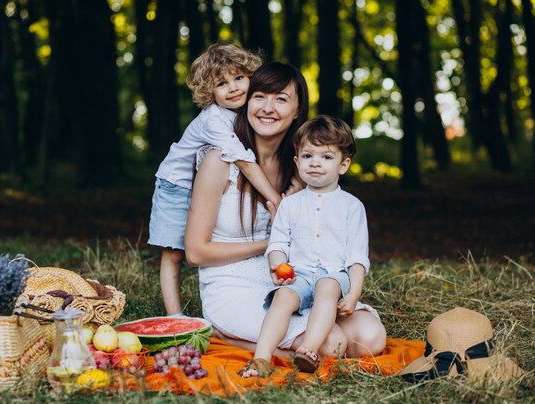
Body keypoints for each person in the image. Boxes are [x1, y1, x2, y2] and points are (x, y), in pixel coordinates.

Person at [184, 63, 386, 378]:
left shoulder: (302, 166)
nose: (267, 108)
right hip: (232, 283)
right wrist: (272, 242)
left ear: (296, 111)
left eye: (280, 99)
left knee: (371, 337)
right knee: (332, 343)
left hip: (295, 278)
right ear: (246, 102)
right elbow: (195, 253)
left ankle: (266, 341)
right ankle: (235, 337)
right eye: (259, 96)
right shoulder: (219, 161)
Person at [149, 43, 282, 316]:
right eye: (222, 83)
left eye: (239, 78)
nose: (233, 88)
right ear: (209, 92)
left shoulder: (245, 114)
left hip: (202, 183)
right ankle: (175, 317)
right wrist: (275, 198)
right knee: (173, 254)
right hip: (176, 184)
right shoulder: (214, 120)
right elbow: (244, 162)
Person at [243, 115, 371, 376]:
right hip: (299, 274)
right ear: (296, 161)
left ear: (343, 165)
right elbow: (278, 242)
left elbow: (357, 257)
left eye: (326, 157)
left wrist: (354, 293)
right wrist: (277, 264)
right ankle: (261, 358)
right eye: (307, 156)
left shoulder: (352, 206)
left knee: (327, 286)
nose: (315, 163)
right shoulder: (289, 204)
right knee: (283, 297)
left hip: (335, 276)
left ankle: (308, 351)